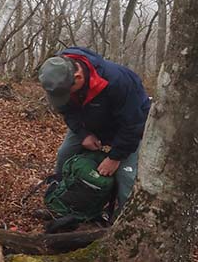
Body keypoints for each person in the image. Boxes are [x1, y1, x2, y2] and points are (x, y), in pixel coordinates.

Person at [38, 47, 151, 212]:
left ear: (78, 77)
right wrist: (83, 134)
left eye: (66, 92)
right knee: (64, 154)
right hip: (90, 123)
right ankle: (60, 201)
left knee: (126, 178)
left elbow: (133, 124)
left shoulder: (118, 81)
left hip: (127, 129)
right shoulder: (59, 76)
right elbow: (66, 111)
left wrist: (114, 157)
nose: (65, 96)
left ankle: (124, 224)